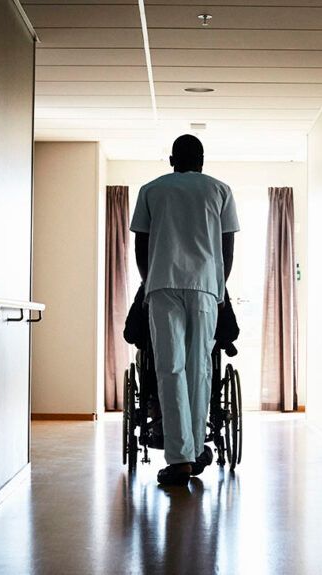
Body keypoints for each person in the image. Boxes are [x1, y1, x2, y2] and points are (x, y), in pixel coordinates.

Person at [130, 134, 239, 486]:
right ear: (202, 159)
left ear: (172, 159)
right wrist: (218, 285)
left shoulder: (151, 189)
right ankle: (194, 452)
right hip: (206, 286)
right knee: (200, 368)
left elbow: (141, 244)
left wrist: (149, 282)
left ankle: (179, 459)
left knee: (169, 368)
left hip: (163, 284)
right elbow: (227, 247)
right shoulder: (220, 190)